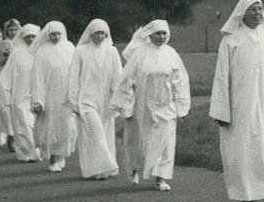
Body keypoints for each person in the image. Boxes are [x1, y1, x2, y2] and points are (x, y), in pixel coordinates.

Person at [209, 0, 264, 202]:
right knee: (241, 151)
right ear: (242, 12)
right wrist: (221, 110)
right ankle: (248, 200)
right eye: (253, 9)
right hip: (239, 106)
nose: (258, 13)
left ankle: (258, 193)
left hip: (263, 104)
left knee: (261, 148)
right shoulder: (231, 40)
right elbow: (221, 77)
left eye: (260, 9)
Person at [111, 20, 190, 191]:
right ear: (149, 35)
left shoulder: (171, 53)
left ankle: (161, 178)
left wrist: (181, 108)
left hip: (166, 105)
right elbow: (127, 80)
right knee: (141, 141)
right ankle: (135, 169)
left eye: (164, 33)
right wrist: (126, 105)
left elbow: (180, 81)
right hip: (143, 106)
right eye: (157, 34)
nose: (161, 37)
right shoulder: (140, 54)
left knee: (167, 141)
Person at [67, 19, 122, 180]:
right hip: (86, 101)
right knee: (95, 133)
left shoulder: (111, 52)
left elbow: (117, 77)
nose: (100, 36)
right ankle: (106, 164)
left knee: (104, 134)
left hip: (106, 101)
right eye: (97, 33)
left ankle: (99, 169)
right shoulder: (80, 51)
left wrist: (118, 99)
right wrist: (74, 102)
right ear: (90, 33)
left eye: (103, 33)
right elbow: (73, 78)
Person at [30, 21, 77, 172]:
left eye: (58, 34)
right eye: (52, 34)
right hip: (50, 95)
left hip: (67, 93)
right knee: (51, 126)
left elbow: (76, 70)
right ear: (47, 35)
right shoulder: (42, 51)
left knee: (67, 125)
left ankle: (61, 154)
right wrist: (38, 100)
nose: (56, 37)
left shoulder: (69, 47)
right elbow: (37, 77)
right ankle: (53, 158)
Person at [0, 24, 41, 162]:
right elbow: (6, 74)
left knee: (36, 125)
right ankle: (26, 153)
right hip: (20, 95)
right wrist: (7, 96)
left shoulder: (41, 51)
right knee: (24, 125)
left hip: (37, 94)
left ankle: (37, 150)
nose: (30, 39)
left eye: (33, 36)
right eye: (27, 37)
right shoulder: (16, 53)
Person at [0, 18, 21, 152]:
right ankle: (11, 137)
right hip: (4, 79)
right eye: (10, 30)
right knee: (5, 110)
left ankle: (19, 137)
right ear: (6, 31)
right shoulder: (2, 45)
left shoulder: (23, 44)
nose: (13, 32)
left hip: (19, 80)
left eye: (15, 29)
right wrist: (4, 58)